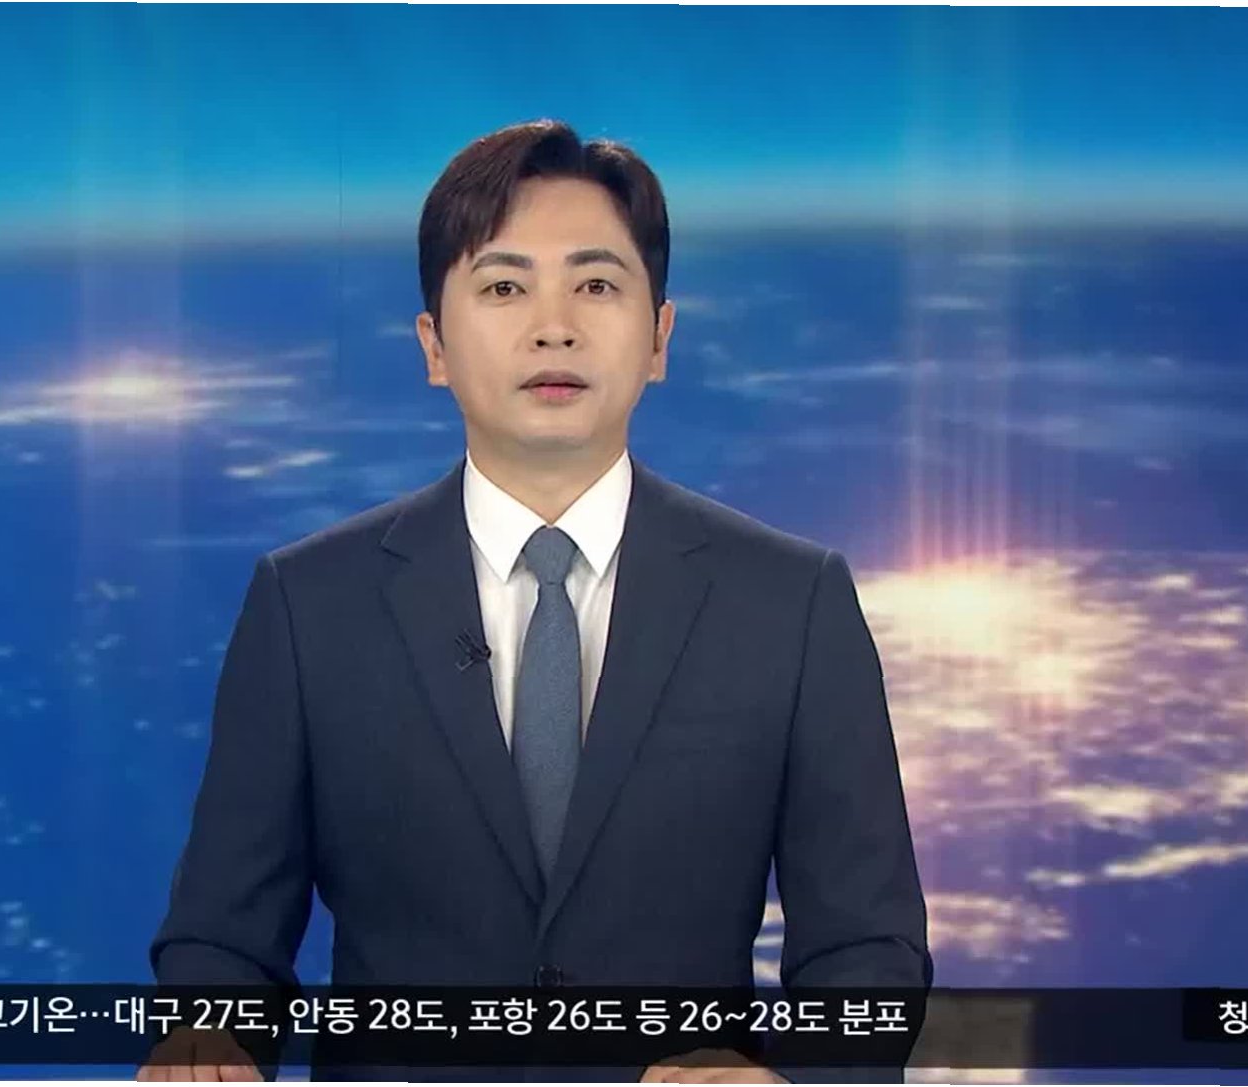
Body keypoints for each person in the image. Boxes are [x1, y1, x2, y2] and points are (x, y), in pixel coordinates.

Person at [139, 119, 930, 1084]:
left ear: (659, 338)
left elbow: (866, 951)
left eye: (595, 285)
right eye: (504, 287)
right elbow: (222, 939)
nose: (553, 327)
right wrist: (208, 1043)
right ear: (433, 343)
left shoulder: (790, 602)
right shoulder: (308, 604)